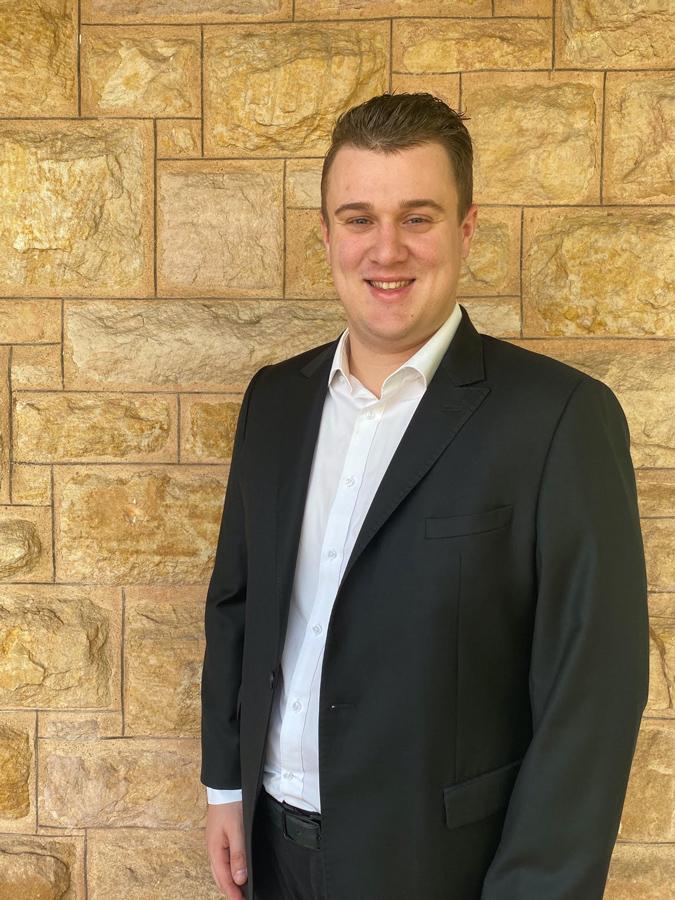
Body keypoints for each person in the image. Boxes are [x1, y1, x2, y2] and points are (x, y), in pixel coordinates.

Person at [200, 92, 649, 900]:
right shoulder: (275, 400)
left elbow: (592, 697)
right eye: (358, 218)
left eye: (417, 217)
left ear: (465, 229)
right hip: (271, 851)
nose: (386, 250)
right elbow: (237, 603)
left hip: (440, 870)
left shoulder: (558, 420)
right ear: (327, 233)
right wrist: (225, 787)